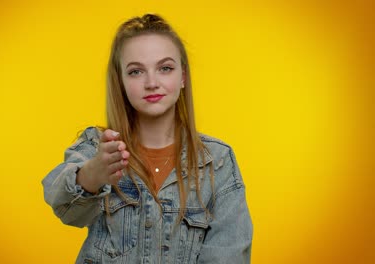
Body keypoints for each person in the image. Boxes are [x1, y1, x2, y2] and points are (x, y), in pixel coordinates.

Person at [42, 14, 253, 263]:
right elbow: (64, 209)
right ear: (120, 81)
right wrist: (91, 175)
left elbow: (228, 254)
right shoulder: (97, 147)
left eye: (165, 68)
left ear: (182, 77)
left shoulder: (217, 161)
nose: (152, 83)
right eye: (135, 71)